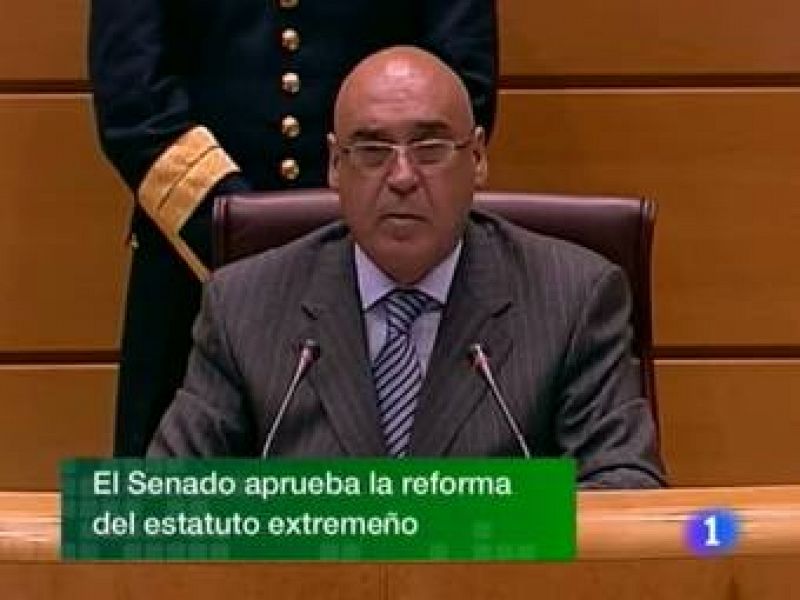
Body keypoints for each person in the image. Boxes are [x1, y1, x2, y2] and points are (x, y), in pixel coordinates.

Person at [149, 46, 665, 488]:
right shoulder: (243, 305)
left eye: (430, 148)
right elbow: (164, 502)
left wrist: (465, 528)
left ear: (477, 158)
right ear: (335, 164)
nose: (401, 177)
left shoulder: (573, 298)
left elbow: (626, 488)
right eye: (372, 151)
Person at [88, 1, 498, 456]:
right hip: (195, 272)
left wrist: (359, 227)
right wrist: (240, 235)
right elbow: (134, 101)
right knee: (169, 494)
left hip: (389, 273)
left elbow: (458, 92)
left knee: (426, 490)